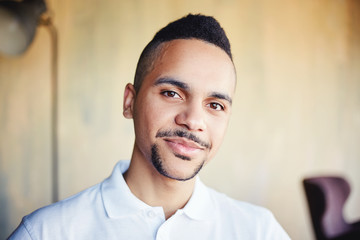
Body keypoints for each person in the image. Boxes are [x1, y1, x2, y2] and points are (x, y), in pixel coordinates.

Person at [8, 14, 290, 239]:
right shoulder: (45, 233)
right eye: (172, 93)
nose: (193, 120)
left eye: (215, 105)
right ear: (130, 101)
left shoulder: (260, 231)